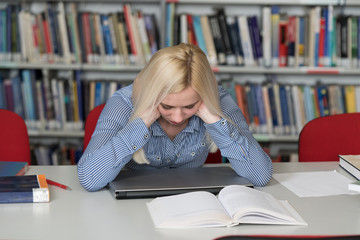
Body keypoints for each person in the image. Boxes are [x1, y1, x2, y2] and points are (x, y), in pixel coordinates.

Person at [78, 43, 273, 192]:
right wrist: (142, 123)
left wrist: (212, 118)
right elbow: (89, 178)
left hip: (193, 198)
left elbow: (260, 175)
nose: (178, 117)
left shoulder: (218, 101)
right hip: (132, 204)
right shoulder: (124, 103)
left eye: (189, 105)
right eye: (167, 106)